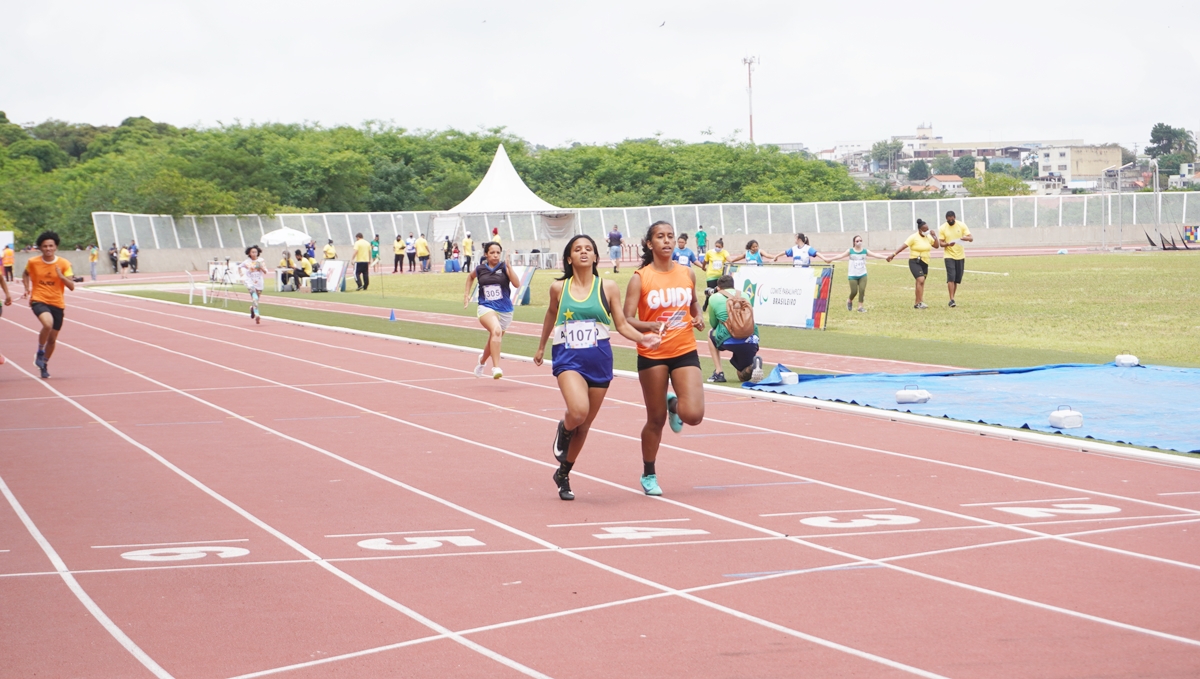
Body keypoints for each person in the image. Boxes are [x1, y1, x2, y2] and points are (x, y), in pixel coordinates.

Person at [535, 234, 662, 500]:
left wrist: (643, 338)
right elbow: (550, 313)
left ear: (595, 257)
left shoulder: (609, 287)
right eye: (577, 249)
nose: (583, 252)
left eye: (589, 249)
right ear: (569, 258)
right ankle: (564, 427)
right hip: (568, 359)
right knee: (578, 412)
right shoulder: (559, 288)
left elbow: (623, 324)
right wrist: (541, 346)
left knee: (585, 425)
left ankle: (563, 473)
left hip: (600, 361)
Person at [623, 221, 706, 496]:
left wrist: (698, 316)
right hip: (653, 352)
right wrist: (647, 327)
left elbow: (692, 302)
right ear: (650, 244)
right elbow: (627, 317)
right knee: (655, 419)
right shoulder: (640, 277)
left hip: (684, 348)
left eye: (670, 236)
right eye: (660, 237)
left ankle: (676, 405)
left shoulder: (687, 273)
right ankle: (649, 473)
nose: (667, 241)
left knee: (693, 415)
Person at [465, 242, 522, 379]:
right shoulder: (480, 269)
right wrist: (466, 294)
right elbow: (470, 277)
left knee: (494, 339)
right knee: (496, 331)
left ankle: (482, 361)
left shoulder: (503, 267)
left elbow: (516, 284)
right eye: (492, 252)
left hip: (505, 310)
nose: (495, 255)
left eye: (498, 252)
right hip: (486, 307)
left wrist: (509, 266)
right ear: (486, 254)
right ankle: (496, 367)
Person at [23, 231, 76, 379]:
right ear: (40, 248)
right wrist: (27, 288)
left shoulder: (64, 263)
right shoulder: (33, 262)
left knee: (52, 339)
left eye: (51, 246)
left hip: (57, 303)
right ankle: (40, 351)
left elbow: (71, 286)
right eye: (45, 246)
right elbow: (25, 274)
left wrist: (61, 277)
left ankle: (44, 364)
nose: (48, 249)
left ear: (56, 247)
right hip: (39, 299)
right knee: (47, 324)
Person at [704, 274, 763, 384]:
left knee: (710, 333)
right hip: (750, 338)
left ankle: (719, 372)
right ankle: (752, 366)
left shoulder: (714, 298)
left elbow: (714, 324)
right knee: (742, 375)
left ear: (718, 287)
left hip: (728, 337)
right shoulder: (744, 295)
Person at [825, 235, 888, 312]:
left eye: (860, 241)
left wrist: (886, 257)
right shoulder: (850, 251)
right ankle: (849, 300)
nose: (859, 242)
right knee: (854, 291)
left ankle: (860, 307)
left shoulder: (865, 251)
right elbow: (840, 256)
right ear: (854, 242)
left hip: (863, 274)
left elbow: (876, 255)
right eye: (857, 241)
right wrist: (830, 259)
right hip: (853, 275)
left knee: (862, 290)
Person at [887, 219, 940, 309]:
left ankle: (918, 302)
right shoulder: (913, 237)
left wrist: (934, 236)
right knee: (921, 279)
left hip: (925, 262)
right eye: (924, 230)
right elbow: (903, 246)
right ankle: (919, 302)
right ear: (919, 230)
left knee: (921, 282)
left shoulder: (928, 237)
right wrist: (893, 255)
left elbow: (936, 246)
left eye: (927, 229)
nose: (926, 231)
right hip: (915, 261)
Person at [938, 210, 973, 308]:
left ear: (955, 217)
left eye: (952, 220)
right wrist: (948, 244)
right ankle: (951, 299)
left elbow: (971, 238)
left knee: (957, 279)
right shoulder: (942, 228)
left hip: (960, 255)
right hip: (949, 255)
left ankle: (953, 297)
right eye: (949, 220)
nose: (951, 221)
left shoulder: (961, 225)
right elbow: (941, 243)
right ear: (946, 219)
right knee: (951, 277)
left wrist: (964, 238)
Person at [239, 245, 267, 324]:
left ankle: (252, 308)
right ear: (249, 253)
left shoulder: (261, 260)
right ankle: (257, 315)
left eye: (255, 252)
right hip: (250, 282)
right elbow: (239, 267)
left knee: (256, 299)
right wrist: (241, 274)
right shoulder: (247, 262)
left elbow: (265, 272)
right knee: (254, 298)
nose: (254, 253)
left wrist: (261, 267)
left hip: (259, 282)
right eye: (252, 252)